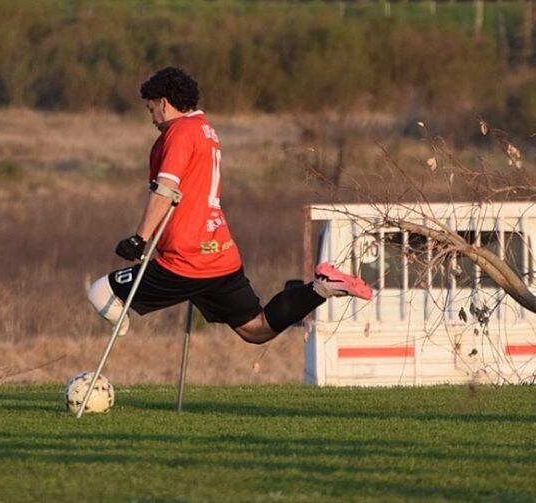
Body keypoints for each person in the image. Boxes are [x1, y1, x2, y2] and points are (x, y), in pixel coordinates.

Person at [88, 67, 372, 344]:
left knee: (100, 293)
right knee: (256, 329)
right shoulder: (206, 129)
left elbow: (166, 188)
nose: (152, 119)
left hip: (185, 261)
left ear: (163, 103)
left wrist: (140, 238)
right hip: (220, 255)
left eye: (151, 110)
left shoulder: (179, 133)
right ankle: (322, 287)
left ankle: (100, 371)